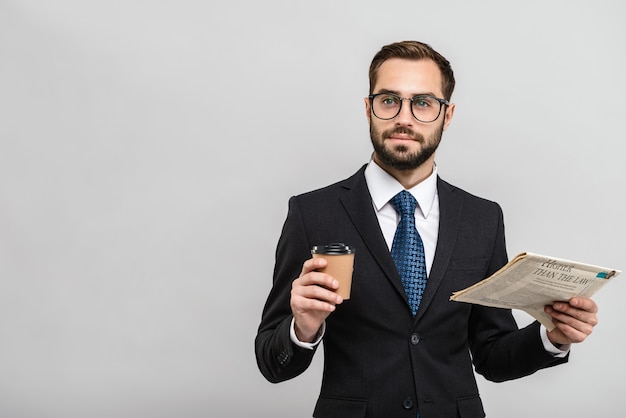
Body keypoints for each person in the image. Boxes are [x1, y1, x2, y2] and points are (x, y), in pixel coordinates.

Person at [254, 40, 598, 418]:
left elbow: (492, 355)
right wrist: (301, 329)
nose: (405, 118)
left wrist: (552, 338)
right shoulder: (312, 213)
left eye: (423, 103)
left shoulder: (482, 218)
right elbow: (273, 364)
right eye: (389, 101)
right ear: (368, 109)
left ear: (446, 115)